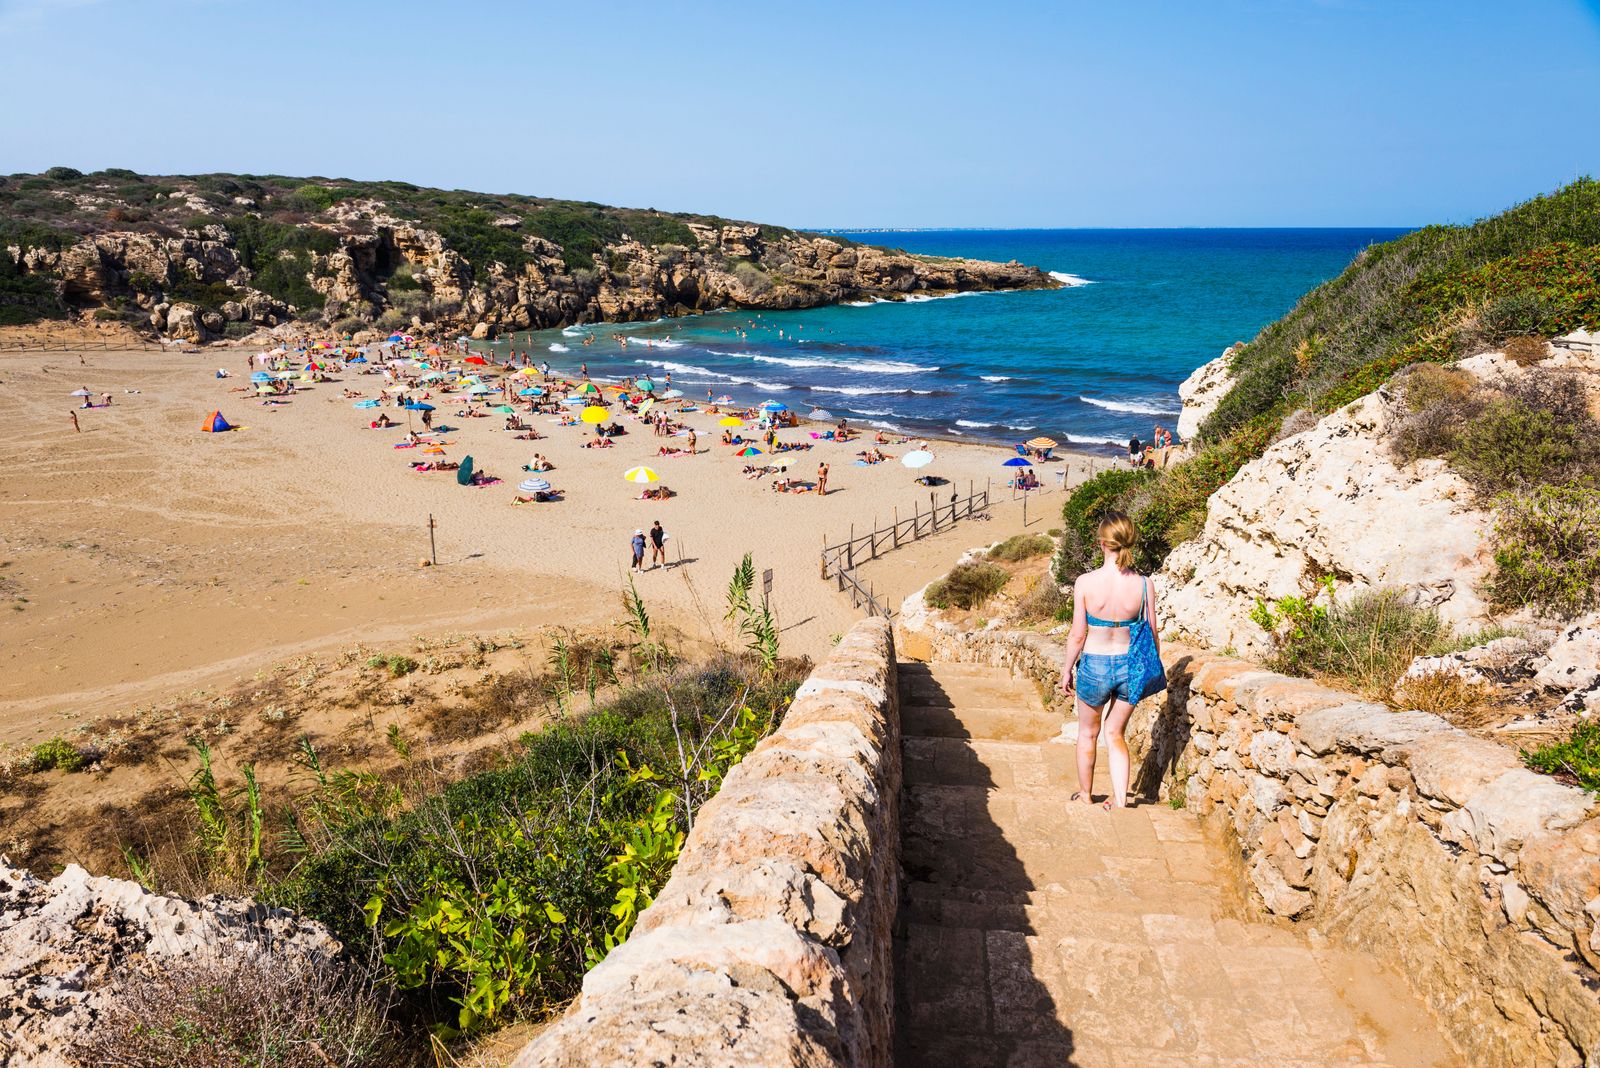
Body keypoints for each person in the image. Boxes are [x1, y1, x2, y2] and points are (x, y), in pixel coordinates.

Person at [1058, 511, 1163, 811]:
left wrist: (1067, 669)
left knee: (1088, 733)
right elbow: (1152, 633)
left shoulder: (1086, 582)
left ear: (1102, 543)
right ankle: (1119, 799)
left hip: (1095, 664)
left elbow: (1078, 635)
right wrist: (1151, 667)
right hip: (1130, 665)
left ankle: (1085, 794)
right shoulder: (1144, 584)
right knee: (1115, 733)